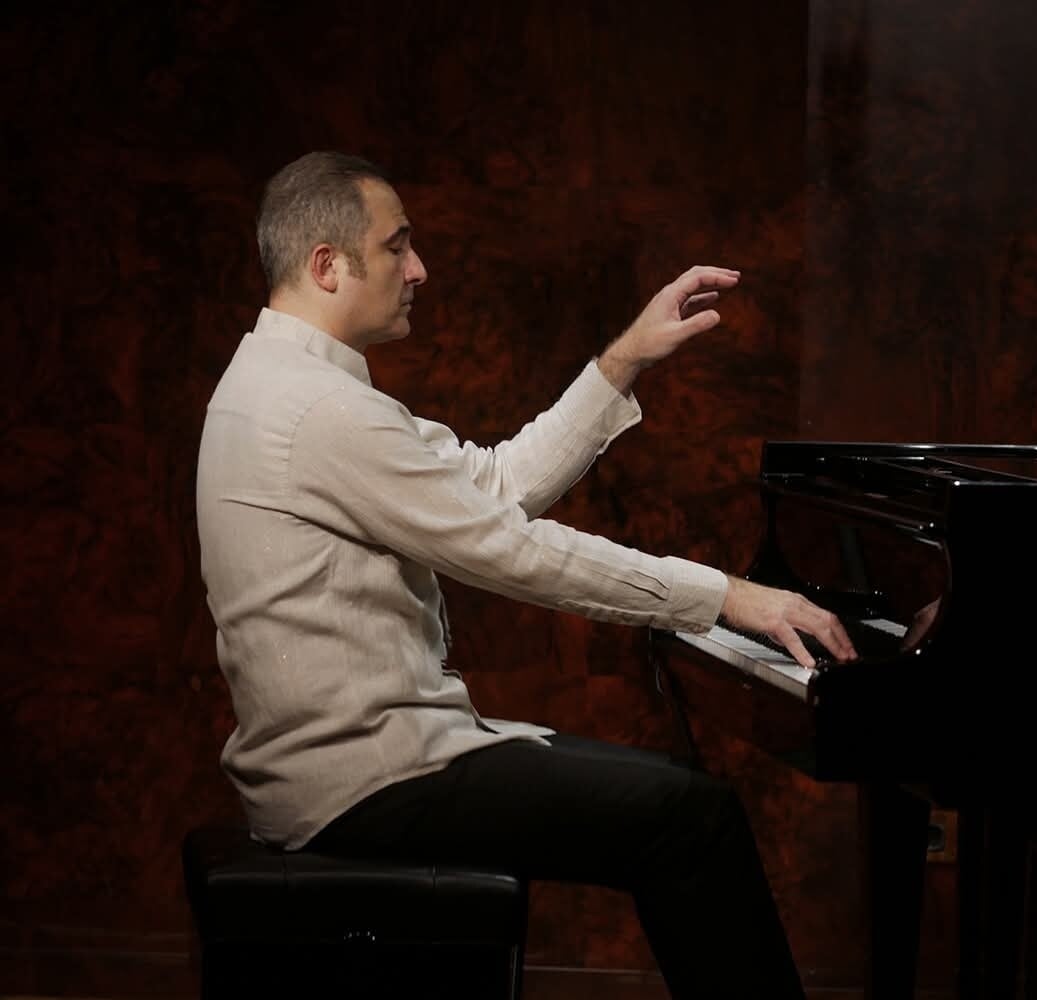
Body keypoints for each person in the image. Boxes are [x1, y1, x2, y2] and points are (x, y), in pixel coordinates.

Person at [194, 150, 856, 998]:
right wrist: (724, 597)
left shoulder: (281, 384)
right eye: (397, 246)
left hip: (362, 765)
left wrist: (625, 358)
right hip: (364, 783)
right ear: (327, 266)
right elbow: (513, 550)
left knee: (683, 798)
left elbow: (494, 486)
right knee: (695, 818)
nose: (418, 269)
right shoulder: (320, 410)